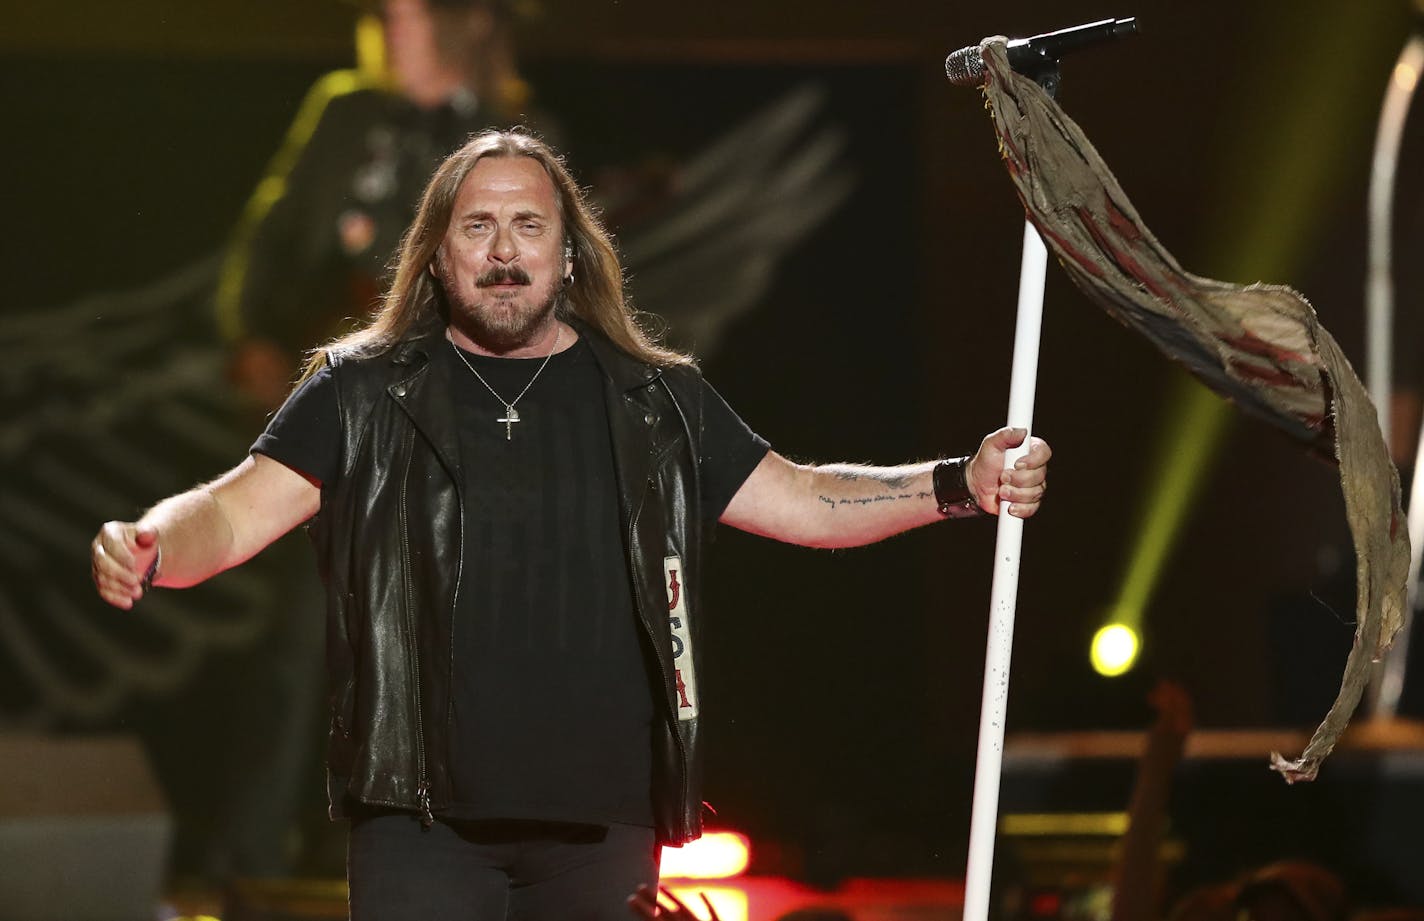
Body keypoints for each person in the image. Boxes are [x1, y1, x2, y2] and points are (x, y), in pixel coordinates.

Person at [92, 129, 1051, 920]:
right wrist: (154, 543)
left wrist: (958, 482)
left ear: (568, 251)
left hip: (602, 830)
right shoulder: (361, 392)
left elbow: (800, 498)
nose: (504, 250)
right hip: (418, 825)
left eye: (526, 225)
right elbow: (230, 509)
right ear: (437, 251)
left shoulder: (653, 398)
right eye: (479, 226)